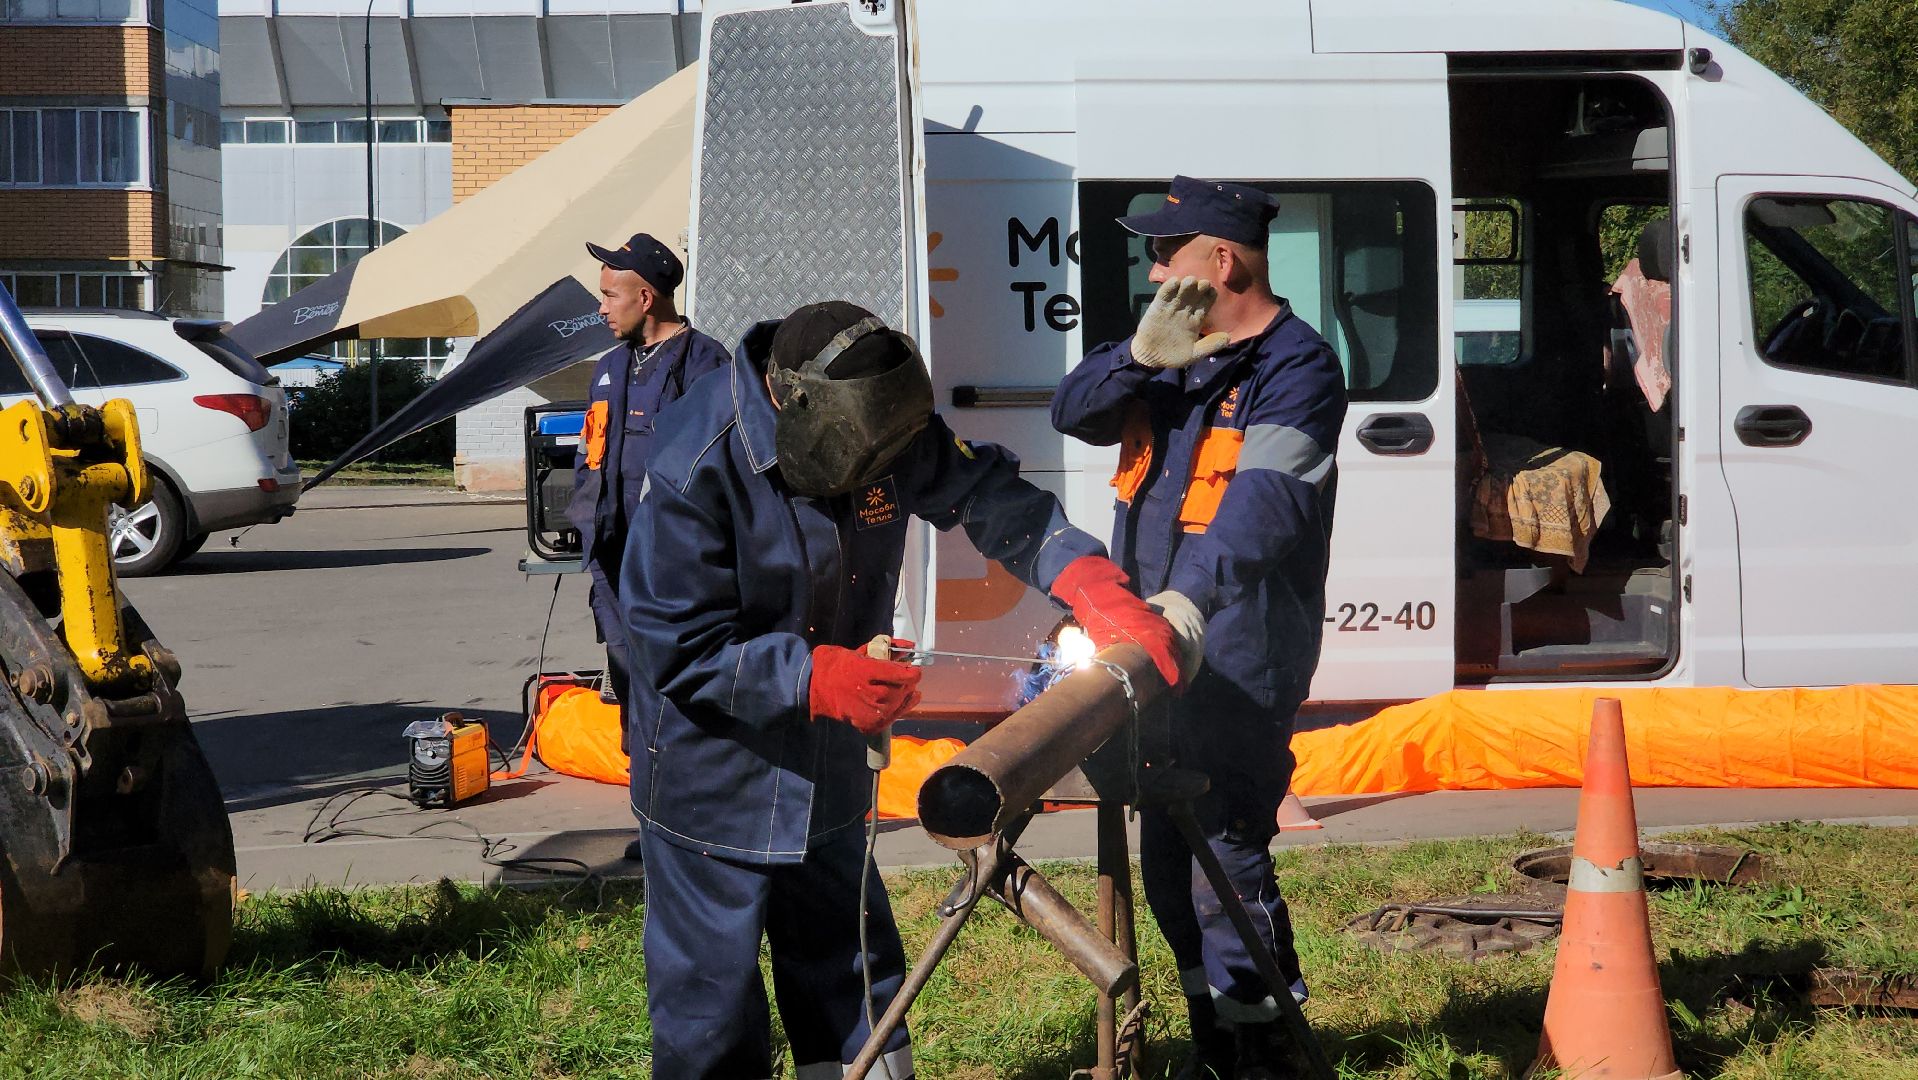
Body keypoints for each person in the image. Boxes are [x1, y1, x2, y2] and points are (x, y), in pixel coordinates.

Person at [621, 301, 1198, 1079]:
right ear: (794, 408)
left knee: (851, 982)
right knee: (710, 1008)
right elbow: (671, 642)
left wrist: (1080, 572)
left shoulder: (880, 421)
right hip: (713, 778)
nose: (883, 473)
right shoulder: (698, 463)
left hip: (829, 771)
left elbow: (984, 494)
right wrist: (812, 675)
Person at [1051, 176, 1349, 1079]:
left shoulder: (1298, 367)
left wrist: (1186, 605)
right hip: (1150, 650)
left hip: (1239, 649)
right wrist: (1142, 358)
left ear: (1221, 260)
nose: (1150, 267)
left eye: (1163, 251)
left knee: (1222, 851)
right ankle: (1210, 1038)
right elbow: (1074, 412)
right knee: (1167, 861)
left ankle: (1269, 1049)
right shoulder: (1174, 350)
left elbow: (1265, 509)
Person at [570, 233, 728, 722]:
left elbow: (720, 465)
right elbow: (588, 450)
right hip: (611, 554)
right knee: (625, 667)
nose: (600, 309)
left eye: (609, 296)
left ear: (645, 298)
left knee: (671, 671)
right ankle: (639, 769)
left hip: (671, 561)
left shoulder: (707, 363)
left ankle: (676, 773)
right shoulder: (609, 366)